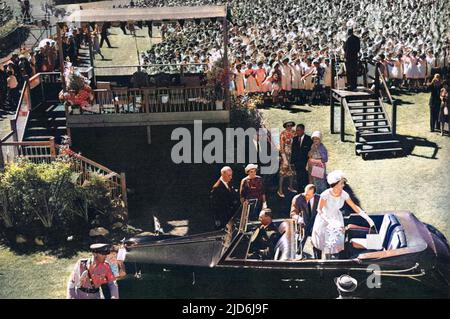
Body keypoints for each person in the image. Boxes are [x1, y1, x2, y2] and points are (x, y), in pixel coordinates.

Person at [311, 170, 375, 260]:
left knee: (335, 246)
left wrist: (367, 218)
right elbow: (319, 210)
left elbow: (354, 206)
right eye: (341, 183)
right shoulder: (325, 195)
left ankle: (333, 263)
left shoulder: (344, 194)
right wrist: (329, 221)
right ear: (335, 184)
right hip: (324, 220)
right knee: (322, 243)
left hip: (337, 219)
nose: (343, 185)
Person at [290, 184, 319, 250]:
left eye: (309, 195)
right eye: (305, 193)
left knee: (317, 245)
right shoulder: (297, 198)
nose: (306, 196)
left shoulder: (319, 199)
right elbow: (293, 213)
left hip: (315, 225)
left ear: (313, 194)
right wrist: (298, 218)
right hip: (302, 225)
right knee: (301, 243)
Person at [290, 124, 312, 193]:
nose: (297, 132)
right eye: (296, 130)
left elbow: (310, 152)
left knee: (305, 178)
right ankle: (299, 192)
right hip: (297, 163)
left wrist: (308, 163)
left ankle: (307, 191)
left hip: (305, 164)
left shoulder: (309, 139)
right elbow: (293, 151)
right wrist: (292, 162)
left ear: (303, 130)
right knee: (298, 178)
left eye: (299, 130)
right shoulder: (295, 139)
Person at [277, 120, 296, 198]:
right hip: (285, 155)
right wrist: (284, 159)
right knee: (283, 173)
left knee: (292, 172)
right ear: (285, 126)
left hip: (293, 155)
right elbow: (281, 148)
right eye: (288, 126)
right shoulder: (283, 134)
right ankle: (280, 190)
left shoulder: (294, 132)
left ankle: (290, 187)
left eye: (290, 125)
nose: (289, 127)